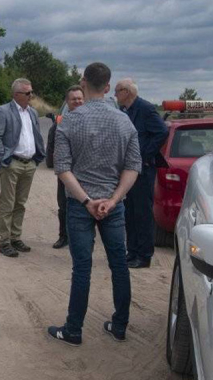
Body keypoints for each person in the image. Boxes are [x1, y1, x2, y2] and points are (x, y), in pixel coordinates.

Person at [47, 62, 141, 346]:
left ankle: (73, 329)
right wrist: (113, 200)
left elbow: (62, 169)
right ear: (109, 87)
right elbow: (133, 166)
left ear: (83, 82)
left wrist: (87, 200)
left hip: (80, 204)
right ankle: (120, 324)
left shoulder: (70, 121)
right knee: (119, 266)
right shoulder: (124, 121)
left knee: (82, 268)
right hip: (113, 205)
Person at [114, 78, 168, 269]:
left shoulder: (145, 108)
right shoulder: (124, 111)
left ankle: (144, 255)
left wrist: (144, 155)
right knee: (130, 212)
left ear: (126, 91)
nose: (115, 95)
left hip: (143, 171)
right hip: (128, 169)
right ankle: (132, 251)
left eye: (117, 91)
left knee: (142, 213)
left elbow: (162, 131)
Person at [0, 78, 46, 257]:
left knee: (20, 203)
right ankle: (4, 241)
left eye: (31, 92)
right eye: (28, 93)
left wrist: (38, 157)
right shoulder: (3, 111)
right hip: (12, 163)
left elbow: (35, 136)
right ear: (16, 94)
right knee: (7, 203)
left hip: (29, 164)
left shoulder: (33, 113)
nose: (31, 96)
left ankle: (16, 237)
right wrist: (4, 158)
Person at [46, 85, 85, 249]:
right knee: (64, 206)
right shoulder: (60, 123)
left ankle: (84, 239)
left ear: (84, 100)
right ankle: (64, 237)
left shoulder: (91, 121)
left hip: (85, 173)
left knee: (85, 206)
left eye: (79, 98)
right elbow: (53, 147)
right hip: (65, 173)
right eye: (73, 99)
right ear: (67, 102)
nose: (77, 101)